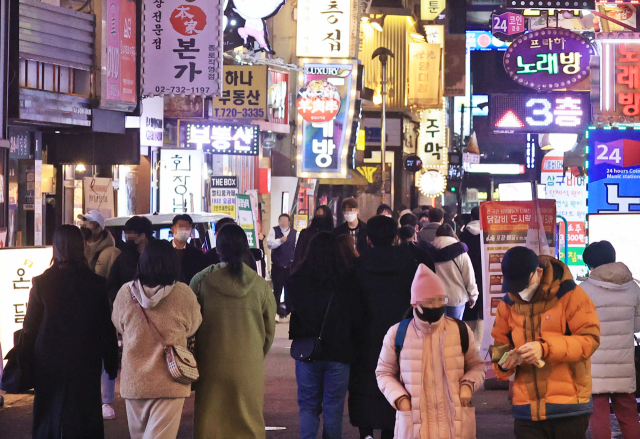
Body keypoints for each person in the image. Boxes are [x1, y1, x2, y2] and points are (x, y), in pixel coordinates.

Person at [492, 247, 600, 439]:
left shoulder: (571, 295)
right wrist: (504, 362)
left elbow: (589, 340)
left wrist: (545, 348)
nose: (519, 291)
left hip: (569, 407)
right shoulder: (507, 304)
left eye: (523, 284)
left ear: (538, 272)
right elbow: (499, 344)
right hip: (526, 410)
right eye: (513, 286)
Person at [21, 225, 118, 439]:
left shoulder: (42, 282)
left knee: (48, 410)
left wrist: (24, 359)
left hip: (48, 359)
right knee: (86, 412)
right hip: (85, 358)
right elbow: (106, 326)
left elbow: (30, 327)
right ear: (80, 246)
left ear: (56, 248)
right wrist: (111, 362)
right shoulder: (96, 283)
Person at [376, 264, 485, 439]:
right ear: (415, 303)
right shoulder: (397, 334)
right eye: (429, 302)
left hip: (455, 427)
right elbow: (383, 372)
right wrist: (400, 399)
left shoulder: (461, 331)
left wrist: (468, 385)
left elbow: (478, 366)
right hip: (414, 428)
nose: (436, 306)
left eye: (440, 300)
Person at [189, 225, 277, 439]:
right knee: (248, 423)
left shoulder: (201, 282)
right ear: (245, 248)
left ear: (217, 249)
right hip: (249, 367)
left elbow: (189, 326)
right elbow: (269, 332)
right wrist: (255, 355)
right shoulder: (260, 286)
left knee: (210, 424)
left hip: (210, 366)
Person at [112, 240, 202, 439]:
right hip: (171, 380)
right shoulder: (183, 293)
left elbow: (118, 326)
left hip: (135, 381)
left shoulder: (125, 293)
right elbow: (194, 326)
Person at [349, 215, 421, 439]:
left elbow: (350, 304)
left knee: (365, 381)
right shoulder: (411, 264)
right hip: (403, 336)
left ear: (368, 238)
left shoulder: (358, 265)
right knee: (397, 381)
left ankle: (366, 433)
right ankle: (391, 431)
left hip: (365, 337)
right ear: (396, 237)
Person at [288, 232, 362, 439]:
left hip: (307, 350)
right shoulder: (348, 280)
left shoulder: (297, 279)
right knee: (333, 406)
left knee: (308, 405)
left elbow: (293, 308)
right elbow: (357, 316)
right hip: (340, 351)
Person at [580, 241, 640, 439]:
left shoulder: (584, 290)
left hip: (595, 365)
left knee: (598, 415)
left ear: (590, 264)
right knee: (629, 413)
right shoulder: (633, 288)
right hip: (624, 363)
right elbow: (637, 326)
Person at [79, 210, 121, 420]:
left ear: (97, 226)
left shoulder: (111, 252)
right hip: (82, 311)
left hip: (105, 311)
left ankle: (107, 401)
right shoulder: (80, 249)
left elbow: (116, 285)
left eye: (86, 223)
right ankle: (90, 397)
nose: (83, 226)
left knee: (106, 353)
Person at [432, 225, 479, 320]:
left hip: (437, 298)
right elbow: (468, 275)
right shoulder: (461, 251)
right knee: (456, 330)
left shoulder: (430, 251)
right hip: (456, 298)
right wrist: (473, 295)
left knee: (439, 330)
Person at [107, 215, 154, 303]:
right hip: (127, 306)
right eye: (126, 232)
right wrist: (121, 300)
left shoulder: (158, 255)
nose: (127, 236)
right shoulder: (124, 256)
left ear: (142, 235)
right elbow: (112, 282)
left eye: (130, 232)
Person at [459, 207, 484, 352]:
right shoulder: (487, 235)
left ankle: (467, 346)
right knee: (481, 311)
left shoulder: (462, 236)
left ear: (470, 218)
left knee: (469, 310)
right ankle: (479, 346)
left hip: (466, 277)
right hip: (483, 277)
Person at [267, 214, 297, 322]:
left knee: (289, 290)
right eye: (281, 221)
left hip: (290, 267)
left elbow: (297, 248)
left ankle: (289, 313)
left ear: (289, 222)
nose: (283, 223)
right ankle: (276, 312)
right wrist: (279, 241)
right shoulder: (274, 231)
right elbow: (269, 244)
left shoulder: (294, 233)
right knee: (277, 290)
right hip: (277, 266)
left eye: (285, 221)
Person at [292, 205, 334, 272]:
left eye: (322, 214)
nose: (319, 216)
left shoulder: (333, 234)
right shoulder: (306, 233)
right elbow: (298, 253)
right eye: (318, 213)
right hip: (307, 270)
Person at [80, 210, 120, 279]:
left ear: (99, 228)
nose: (84, 226)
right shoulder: (79, 250)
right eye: (83, 223)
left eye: (89, 223)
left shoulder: (112, 252)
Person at [170, 214, 208, 285]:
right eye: (181, 227)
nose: (184, 231)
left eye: (187, 228)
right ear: (173, 229)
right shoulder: (163, 251)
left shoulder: (197, 255)